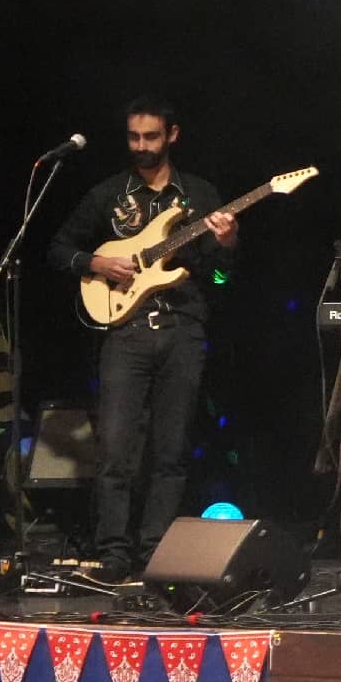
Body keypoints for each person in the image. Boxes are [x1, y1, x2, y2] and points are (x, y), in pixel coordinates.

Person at [47, 96, 239, 580]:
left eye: (151, 137)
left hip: (181, 331)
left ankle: (155, 549)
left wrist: (226, 245)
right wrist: (97, 263)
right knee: (115, 449)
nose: (142, 146)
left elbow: (220, 282)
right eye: (134, 137)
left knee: (171, 449)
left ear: (172, 135)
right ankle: (113, 552)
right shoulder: (108, 194)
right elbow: (58, 248)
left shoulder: (199, 195)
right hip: (124, 332)